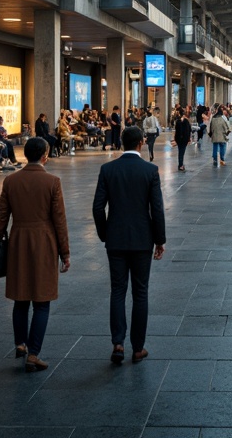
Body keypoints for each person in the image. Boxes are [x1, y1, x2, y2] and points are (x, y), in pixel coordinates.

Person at [0, 137, 70, 372]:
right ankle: (34, 353)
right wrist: (65, 252)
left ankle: (20, 343)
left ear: (25, 155)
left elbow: (1, 216)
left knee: (21, 297)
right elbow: (59, 220)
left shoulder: (11, 181)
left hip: (18, 241)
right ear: (45, 155)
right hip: (44, 241)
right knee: (42, 301)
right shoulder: (52, 182)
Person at [92, 125, 166, 365]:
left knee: (118, 290)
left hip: (116, 240)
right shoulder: (150, 171)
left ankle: (118, 343)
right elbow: (156, 209)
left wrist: (105, 234)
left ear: (122, 143)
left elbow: (97, 207)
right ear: (141, 143)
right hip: (142, 240)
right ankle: (138, 348)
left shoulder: (108, 170)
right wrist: (159, 239)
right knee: (140, 292)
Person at [173, 105, 191, 172]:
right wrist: (189, 138)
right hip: (184, 139)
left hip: (179, 139)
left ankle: (180, 164)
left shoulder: (178, 122)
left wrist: (175, 138)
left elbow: (176, 131)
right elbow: (189, 130)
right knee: (182, 152)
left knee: (180, 151)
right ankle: (181, 165)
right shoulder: (186, 122)